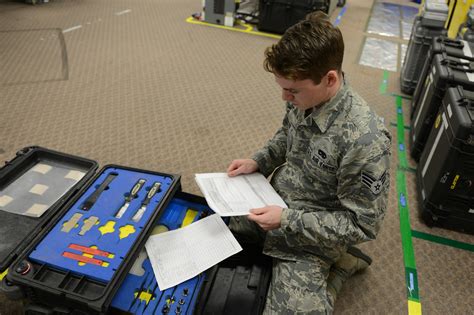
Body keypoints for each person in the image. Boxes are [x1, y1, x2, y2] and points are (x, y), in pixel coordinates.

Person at [226, 11, 391, 314]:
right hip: (272, 201)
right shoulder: (305, 99)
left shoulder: (366, 142)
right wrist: (257, 161)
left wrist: (287, 220)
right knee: (210, 228)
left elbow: (362, 225)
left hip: (310, 237)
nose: (284, 97)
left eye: (293, 90)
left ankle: (340, 268)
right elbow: (286, 136)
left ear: (330, 79)